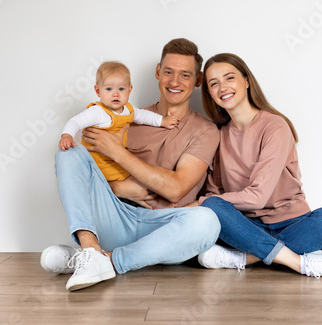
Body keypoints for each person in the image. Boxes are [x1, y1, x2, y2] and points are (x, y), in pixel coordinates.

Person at [40, 38, 221, 291]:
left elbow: (176, 188)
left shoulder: (205, 131)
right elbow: (85, 171)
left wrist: (116, 151)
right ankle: (90, 248)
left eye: (185, 75)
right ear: (158, 72)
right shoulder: (122, 115)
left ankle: (104, 260)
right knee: (69, 153)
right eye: (168, 72)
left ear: (198, 80)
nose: (174, 82)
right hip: (116, 217)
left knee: (207, 221)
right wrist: (118, 188)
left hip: (164, 228)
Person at [192, 53, 322, 278]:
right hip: (247, 226)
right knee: (213, 207)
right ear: (209, 92)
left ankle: (245, 258)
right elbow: (214, 193)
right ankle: (301, 262)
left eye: (229, 78)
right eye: (214, 83)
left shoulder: (275, 126)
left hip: (292, 223)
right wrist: (206, 202)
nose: (223, 87)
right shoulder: (218, 135)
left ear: (247, 81)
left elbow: (257, 197)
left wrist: (198, 203)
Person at [58, 61, 179, 182]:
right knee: (133, 180)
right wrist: (67, 135)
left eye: (121, 89)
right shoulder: (98, 112)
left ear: (129, 90)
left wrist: (163, 121)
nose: (115, 94)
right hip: (98, 162)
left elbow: (144, 116)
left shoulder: (128, 110)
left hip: (115, 159)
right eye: (109, 89)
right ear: (98, 91)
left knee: (138, 173)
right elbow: (76, 122)